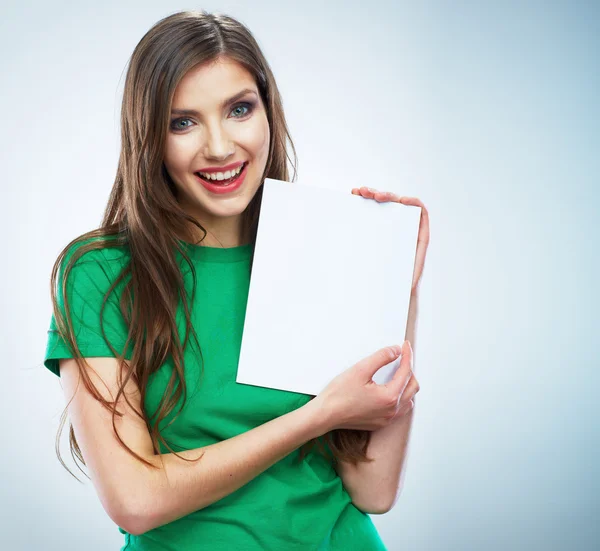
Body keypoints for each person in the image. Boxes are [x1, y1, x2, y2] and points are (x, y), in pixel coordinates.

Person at [43, 9, 422, 551]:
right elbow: (135, 501)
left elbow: (373, 489)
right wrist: (317, 417)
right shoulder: (99, 274)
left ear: (269, 112)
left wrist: (397, 287)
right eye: (183, 122)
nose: (219, 147)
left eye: (239, 109)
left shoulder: (321, 248)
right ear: (148, 136)